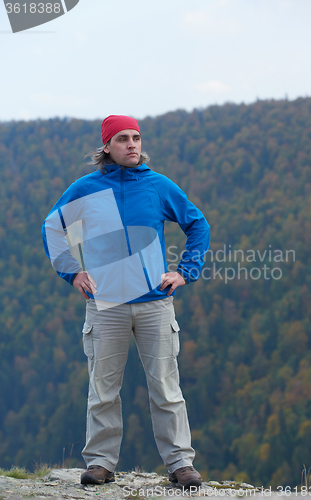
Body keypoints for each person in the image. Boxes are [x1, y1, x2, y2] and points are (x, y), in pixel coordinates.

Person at [42, 115, 210, 489]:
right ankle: (100, 463)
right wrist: (72, 272)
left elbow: (198, 224)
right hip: (106, 307)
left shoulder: (157, 185)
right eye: (123, 139)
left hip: (155, 303)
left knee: (166, 388)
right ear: (107, 146)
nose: (132, 144)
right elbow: (52, 226)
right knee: (103, 388)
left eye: (136, 137)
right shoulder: (86, 189)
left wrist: (185, 271)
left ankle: (181, 464)